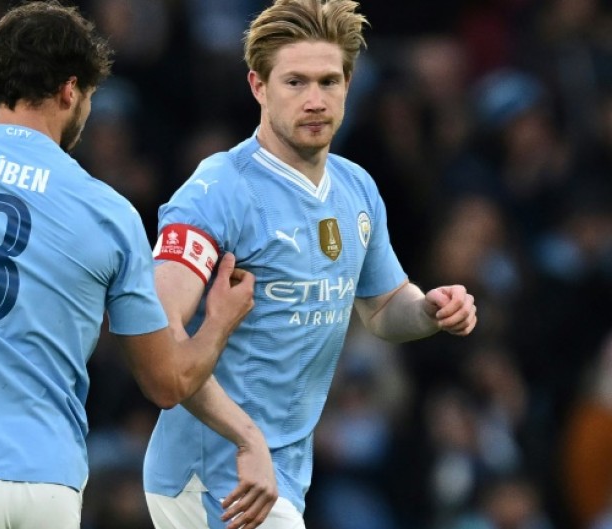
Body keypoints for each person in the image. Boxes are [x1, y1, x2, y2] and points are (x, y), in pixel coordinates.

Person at [0, 2, 256, 528]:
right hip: (46, 485)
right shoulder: (109, 213)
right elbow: (166, 382)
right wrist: (220, 321)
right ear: (71, 91)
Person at [142, 1, 478, 528]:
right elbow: (158, 333)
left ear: (348, 85)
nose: (315, 100)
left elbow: (385, 307)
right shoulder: (218, 191)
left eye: (329, 81)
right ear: (258, 86)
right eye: (295, 82)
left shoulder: (356, 188)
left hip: (282, 471)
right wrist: (246, 437)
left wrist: (431, 310)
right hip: (214, 471)